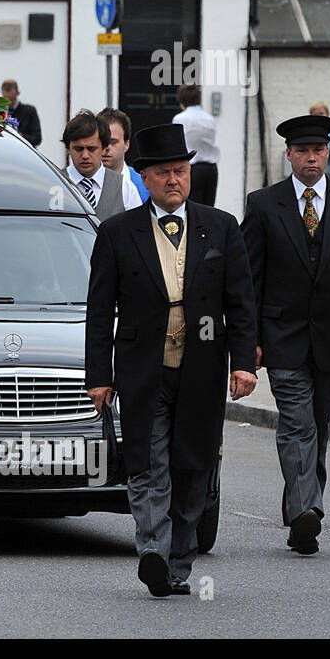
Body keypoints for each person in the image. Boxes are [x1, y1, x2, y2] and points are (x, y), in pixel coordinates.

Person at [85, 123, 257, 597]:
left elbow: (241, 302)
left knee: (193, 465)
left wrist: (244, 363)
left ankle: (179, 563)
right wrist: (99, 376)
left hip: (202, 368)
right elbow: (100, 310)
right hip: (143, 369)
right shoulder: (118, 233)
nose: (175, 180)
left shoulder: (221, 226)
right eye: (163, 173)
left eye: (181, 171)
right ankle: (153, 552)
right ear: (146, 178)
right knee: (148, 462)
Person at [240, 114, 330, 556]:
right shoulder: (264, 204)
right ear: (289, 155)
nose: (310, 158)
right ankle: (308, 509)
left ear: (327, 153)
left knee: (317, 426)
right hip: (281, 337)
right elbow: (248, 279)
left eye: (318, 150)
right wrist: (250, 342)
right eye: (301, 151)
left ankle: (301, 511)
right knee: (297, 424)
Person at [63, 110, 140, 221]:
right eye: (78, 149)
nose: (85, 155)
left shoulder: (125, 186)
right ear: (68, 149)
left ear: (103, 148)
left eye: (91, 149)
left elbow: (137, 230)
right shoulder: (56, 183)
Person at [172, 83, 220, 206]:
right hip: (211, 169)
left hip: (192, 169)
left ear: (182, 101)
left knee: (192, 208)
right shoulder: (209, 118)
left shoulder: (180, 119)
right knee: (208, 208)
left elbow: (177, 145)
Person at [98, 107, 149, 205]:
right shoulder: (82, 184)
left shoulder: (145, 184)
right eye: (102, 141)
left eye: (113, 142)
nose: (107, 147)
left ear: (127, 144)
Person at [1, 79, 42, 148]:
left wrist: (18, 136)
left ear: (18, 93)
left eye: (11, 99)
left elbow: (37, 138)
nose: (9, 101)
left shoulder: (29, 111)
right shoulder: (0, 112)